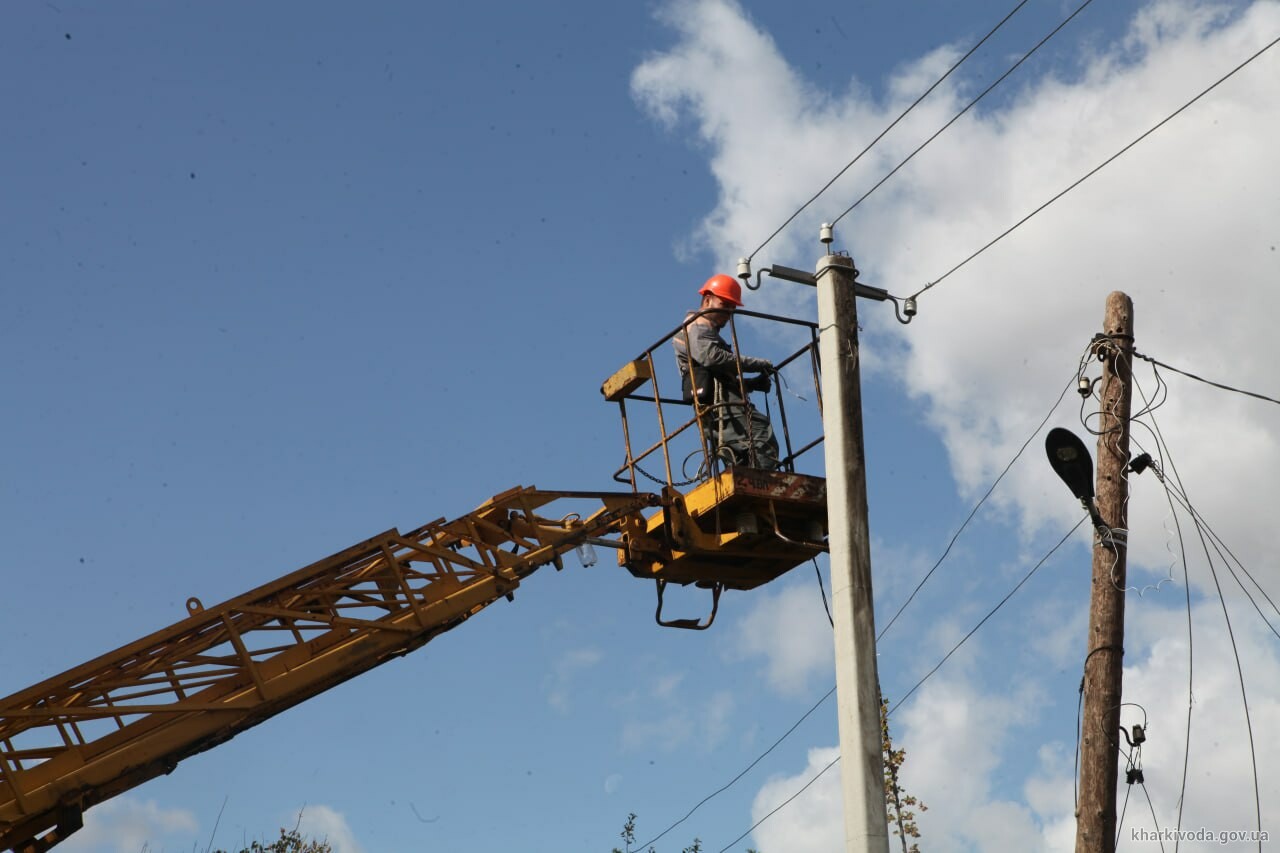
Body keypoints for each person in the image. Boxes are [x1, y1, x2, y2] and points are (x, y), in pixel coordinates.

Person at [673, 273, 780, 471]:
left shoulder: (704, 332)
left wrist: (753, 384)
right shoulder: (696, 327)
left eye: (732, 308)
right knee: (760, 435)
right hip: (721, 409)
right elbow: (713, 357)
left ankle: (753, 484)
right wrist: (758, 363)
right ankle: (763, 483)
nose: (728, 313)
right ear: (707, 300)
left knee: (740, 455)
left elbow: (719, 380)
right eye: (724, 305)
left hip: (720, 407)